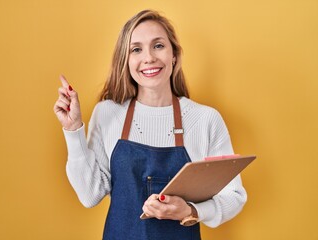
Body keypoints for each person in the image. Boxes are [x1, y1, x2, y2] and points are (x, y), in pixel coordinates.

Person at [53, 9, 247, 240]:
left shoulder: (205, 119)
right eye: (136, 49)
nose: (149, 58)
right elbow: (89, 195)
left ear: (174, 54)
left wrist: (191, 210)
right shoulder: (107, 114)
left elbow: (234, 195)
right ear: (126, 60)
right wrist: (73, 129)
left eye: (158, 46)